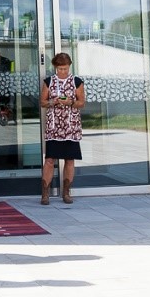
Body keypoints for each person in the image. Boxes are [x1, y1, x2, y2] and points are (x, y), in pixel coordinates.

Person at [40, 52, 86, 205]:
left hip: (70, 126)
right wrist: (53, 101)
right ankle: (45, 193)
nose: (63, 72)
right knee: (49, 160)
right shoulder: (49, 81)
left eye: (65, 69)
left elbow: (82, 102)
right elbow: (42, 102)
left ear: (69, 67)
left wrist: (71, 102)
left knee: (70, 159)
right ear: (55, 67)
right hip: (54, 127)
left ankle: (66, 192)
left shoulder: (77, 82)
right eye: (60, 69)